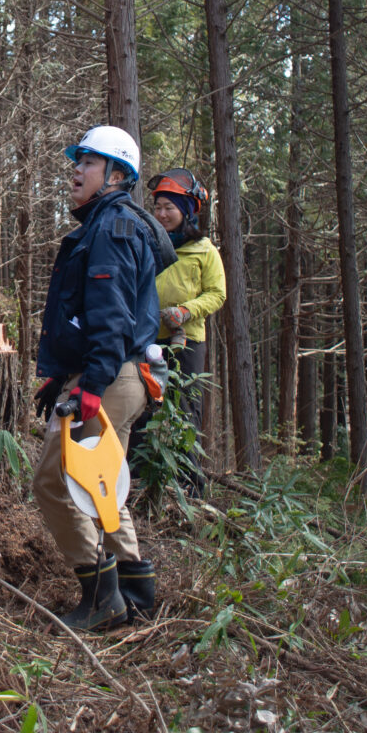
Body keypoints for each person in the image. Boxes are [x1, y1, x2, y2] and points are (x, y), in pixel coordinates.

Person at [30, 125, 174, 632]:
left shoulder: (112, 226)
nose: (77, 169)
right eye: (78, 160)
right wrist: (62, 378)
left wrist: (90, 385)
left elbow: (111, 315)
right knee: (103, 486)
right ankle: (136, 591)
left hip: (108, 377)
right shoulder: (111, 223)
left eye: (88, 162)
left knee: (54, 484)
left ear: (116, 175)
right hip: (117, 374)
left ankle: (101, 597)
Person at [147, 167, 226, 494]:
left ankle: (190, 488)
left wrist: (184, 311)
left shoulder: (204, 249)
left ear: (187, 211)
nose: (162, 214)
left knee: (186, 411)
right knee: (144, 406)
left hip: (187, 341)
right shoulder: (149, 243)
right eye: (158, 207)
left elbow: (217, 294)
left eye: (169, 207)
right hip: (148, 339)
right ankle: (142, 481)